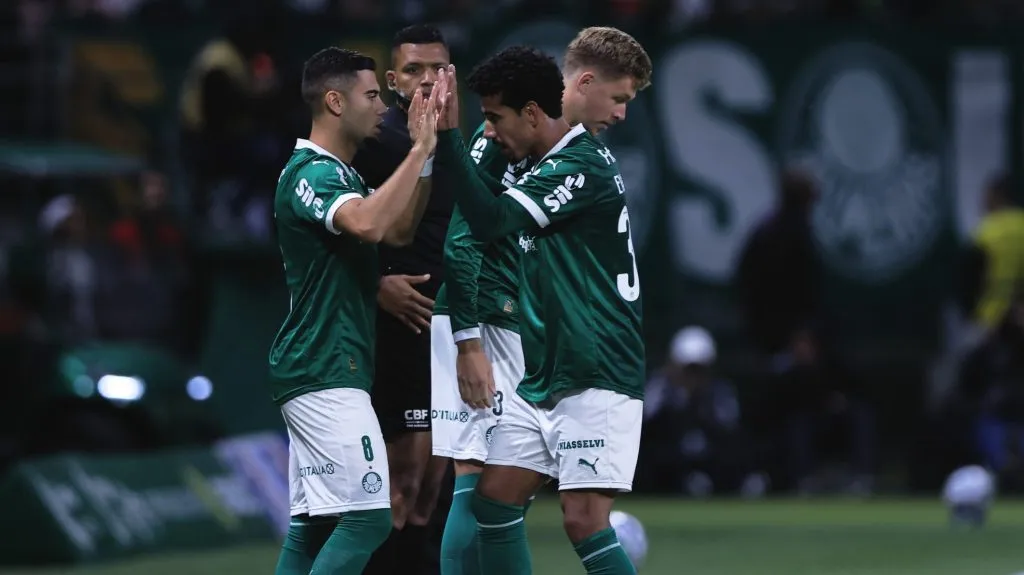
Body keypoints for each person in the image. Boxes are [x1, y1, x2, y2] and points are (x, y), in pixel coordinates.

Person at [430, 27, 654, 575]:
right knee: (493, 503)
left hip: (596, 364)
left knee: (582, 520)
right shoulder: (533, 151)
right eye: (620, 98)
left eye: (494, 121)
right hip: (545, 365)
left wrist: (447, 138)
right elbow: (472, 227)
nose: (622, 115)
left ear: (529, 115)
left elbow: (491, 220)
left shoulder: (583, 163)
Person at [268, 46, 443, 575]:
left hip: (328, 367)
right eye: (372, 95)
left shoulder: (342, 177)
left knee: (312, 529)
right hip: (323, 369)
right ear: (335, 101)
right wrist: (418, 151)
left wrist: (425, 154)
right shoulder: (311, 175)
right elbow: (368, 226)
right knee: (368, 519)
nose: (382, 106)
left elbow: (399, 228)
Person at [351, 24, 453, 575]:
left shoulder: (468, 144)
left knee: (438, 479)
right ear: (392, 81)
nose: (426, 80)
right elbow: (335, 231)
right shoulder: (374, 142)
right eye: (413, 70)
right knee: (403, 478)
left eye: (436, 68)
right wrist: (375, 281)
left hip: (453, 330)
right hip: (399, 329)